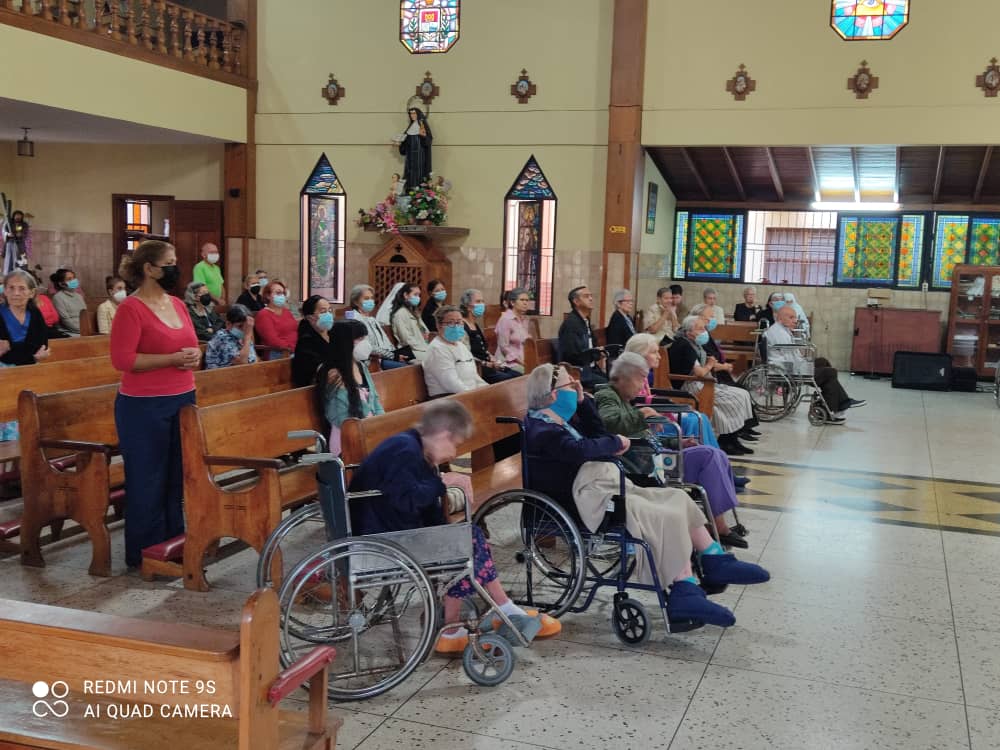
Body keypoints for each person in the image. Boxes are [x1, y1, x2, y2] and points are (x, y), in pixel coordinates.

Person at [524, 364, 769, 629]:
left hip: (607, 486)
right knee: (664, 514)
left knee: (677, 498)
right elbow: (579, 450)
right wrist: (614, 443)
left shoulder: (566, 420)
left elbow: (598, 434)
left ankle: (713, 557)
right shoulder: (540, 428)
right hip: (582, 498)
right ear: (550, 395)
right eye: (570, 386)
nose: (576, 388)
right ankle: (684, 589)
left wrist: (583, 405)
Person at [349, 399, 560, 653]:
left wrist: (447, 526)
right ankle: (493, 611)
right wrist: (443, 481)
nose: (453, 454)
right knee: (466, 539)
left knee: (464, 538)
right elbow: (408, 499)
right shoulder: (404, 450)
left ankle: (469, 620)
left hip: (386, 528)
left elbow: (422, 505)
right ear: (442, 434)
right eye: (455, 444)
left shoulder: (412, 446)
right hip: (380, 539)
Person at [110, 240, 201, 568]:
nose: (176, 268)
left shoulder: (176, 304)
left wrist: (194, 356)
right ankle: (144, 553)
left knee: (176, 476)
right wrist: (172, 359)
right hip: (143, 406)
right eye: (170, 262)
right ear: (149, 269)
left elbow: (191, 345)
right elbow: (122, 360)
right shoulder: (131, 309)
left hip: (182, 398)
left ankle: (172, 546)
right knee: (148, 478)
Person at [596, 353, 748, 547]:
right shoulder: (606, 396)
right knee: (708, 456)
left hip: (653, 456)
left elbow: (646, 437)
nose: (643, 383)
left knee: (716, 454)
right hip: (640, 466)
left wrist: (678, 443)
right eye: (641, 377)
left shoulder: (623, 399)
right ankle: (719, 528)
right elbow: (610, 423)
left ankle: (719, 524)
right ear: (625, 378)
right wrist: (642, 414)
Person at [669, 316, 759, 456]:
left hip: (701, 382)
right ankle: (726, 440)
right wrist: (711, 365)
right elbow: (699, 372)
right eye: (700, 328)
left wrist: (715, 365)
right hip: (690, 386)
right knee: (735, 398)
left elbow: (703, 366)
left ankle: (732, 439)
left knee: (743, 394)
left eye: (704, 328)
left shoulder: (692, 343)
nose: (704, 331)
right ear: (689, 332)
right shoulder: (683, 345)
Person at [623, 332, 724, 453]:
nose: (659, 356)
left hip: (654, 414)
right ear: (640, 354)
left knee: (700, 417)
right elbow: (633, 407)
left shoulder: (642, 373)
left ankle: (711, 458)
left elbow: (647, 398)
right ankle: (697, 458)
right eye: (654, 352)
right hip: (648, 424)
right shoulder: (629, 376)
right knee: (695, 419)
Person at [766, 304, 865, 425]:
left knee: (823, 362)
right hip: (785, 369)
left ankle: (836, 401)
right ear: (780, 318)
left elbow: (792, 354)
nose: (795, 320)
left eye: (795, 317)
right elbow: (790, 356)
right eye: (791, 317)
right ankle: (834, 408)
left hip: (790, 365)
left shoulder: (782, 329)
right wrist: (805, 363)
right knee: (830, 372)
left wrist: (804, 360)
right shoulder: (778, 333)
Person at [315, 319, 384, 455]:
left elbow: (374, 398)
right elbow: (340, 415)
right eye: (360, 339)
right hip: (347, 437)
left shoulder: (360, 366)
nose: (365, 343)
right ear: (344, 343)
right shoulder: (332, 373)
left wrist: (382, 422)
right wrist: (370, 426)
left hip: (367, 428)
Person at [0, 269, 51, 440]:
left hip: (29, 372)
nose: (16, 293)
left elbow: (41, 344)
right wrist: (29, 352)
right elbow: (8, 353)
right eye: (11, 288)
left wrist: (12, 347)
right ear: (4, 291)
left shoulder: (35, 314)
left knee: (29, 423)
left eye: (22, 288)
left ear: (31, 292)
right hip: (4, 373)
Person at [423, 305, 487, 396]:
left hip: (469, 394)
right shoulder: (437, 349)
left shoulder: (461, 345)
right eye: (451, 323)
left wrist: (488, 390)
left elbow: (475, 377)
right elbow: (452, 384)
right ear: (439, 325)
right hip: (449, 399)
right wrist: (475, 396)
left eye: (459, 322)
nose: (456, 326)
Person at [460, 288, 517, 384]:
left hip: (490, 365)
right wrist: (488, 364)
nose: (482, 304)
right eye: (478, 301)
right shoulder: (462, 326)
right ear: (468, 306)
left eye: (482, 301)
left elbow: (484, 350)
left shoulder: (475, 324)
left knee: (518, 376)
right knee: (510, 381)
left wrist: (495, 361)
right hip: (479, 368)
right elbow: (466, 355)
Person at [347, 284, 408, 370]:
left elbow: (386, 341)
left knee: (412, 363)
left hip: (386, 356)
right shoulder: (355, 319)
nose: (371, 301)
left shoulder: (372, 319)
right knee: (406, 368)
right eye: (366, 298)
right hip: (373, 360)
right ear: (355, 302)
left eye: (372, 298)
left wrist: (396, 354)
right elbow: (369, 347)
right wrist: (393, 356)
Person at [558, 285, 608, 389]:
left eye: (590, 296)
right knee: (610, 386)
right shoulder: (571, 324)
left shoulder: (584, 320)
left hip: (589, 369)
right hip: (578, 372)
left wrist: (598, 352)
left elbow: (591, 345)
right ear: (576, 301)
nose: (591, 298)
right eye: (586, 296)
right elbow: (572, 356)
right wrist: (594, 354)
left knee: (616, 381)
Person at [292, 294, 335, 387]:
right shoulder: (306, 340)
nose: (328, 314)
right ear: (310, 317)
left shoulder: (334, 334)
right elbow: (314, 368)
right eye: (323, 311)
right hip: (314, 387)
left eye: (330, 310)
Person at [204, 304, 256, 369]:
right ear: (228, 324)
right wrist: (248, 336)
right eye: (240, 326)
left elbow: (253, 359)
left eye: (247, 326)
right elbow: (242, 363)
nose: (244, 330)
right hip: (219, 377)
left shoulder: (243, 337)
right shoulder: (222, 338)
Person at [495, 287, 533, 373]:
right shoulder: (506, 319)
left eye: (527, 300)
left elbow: (525, 342)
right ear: (512, 302)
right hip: (508, 363)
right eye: (522, 300)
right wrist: (522, 363)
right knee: (532, 375)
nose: (525, 303)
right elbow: (504, 347)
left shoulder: (524, 319)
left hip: (522, 361)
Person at [255, 280, 298, 354]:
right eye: (278, 293)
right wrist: (291, 349)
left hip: (296, 349)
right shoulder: (263, 315)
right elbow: (272, 340)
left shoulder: (286, 312)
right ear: (268, 296)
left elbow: (295, 330)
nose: (282, 296)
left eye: (283, 293)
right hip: (279, 352)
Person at [391, 283, 430, 362]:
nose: (418, 298)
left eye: (419, 295)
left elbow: (425, 331)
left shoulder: (414, 312)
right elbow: (406, 339)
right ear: (406, 295)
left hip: (420, 348)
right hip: (408, 351)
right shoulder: (400, 314)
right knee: (432, 358)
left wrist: (425, 333)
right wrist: (424, 348)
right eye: (415, 294)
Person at [398, 107, 432, 192]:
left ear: (418, 114)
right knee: (409, 174)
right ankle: (410, 192)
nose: (412, 115)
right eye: (411, 114)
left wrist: (424, 136)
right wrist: (400, 143)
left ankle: (419, 193)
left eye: (414, 113)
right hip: (410, 157)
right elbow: (405, 143)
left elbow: (429, 141)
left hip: (420, 156)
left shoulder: (422, 127)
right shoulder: (410, 128)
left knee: (419, 174)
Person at [50, 268, 87, 336]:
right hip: (68, 332)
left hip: (83, 330)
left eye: (74, 278)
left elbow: (85, 315)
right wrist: (82, 330)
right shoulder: (58, 297)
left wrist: (87, 329)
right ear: (61, 284)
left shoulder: (79, 296)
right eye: (69, 279)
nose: (73, 281)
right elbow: (66, 320)